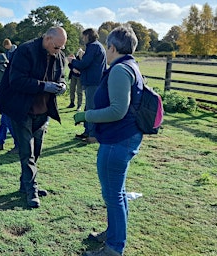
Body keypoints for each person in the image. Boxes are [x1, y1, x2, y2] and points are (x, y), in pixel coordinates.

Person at [74, 26, 144, 256]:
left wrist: (87, 115)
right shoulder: (131, 66)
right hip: (123, 137)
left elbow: (117, 110)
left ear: (112, 47)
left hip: (118, 139)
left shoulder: (119, 70)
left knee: (113, 195)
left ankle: (114, 248)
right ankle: (113, 234)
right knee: (118, 192)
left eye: (107, 47)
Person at [0, 26, 67, 208]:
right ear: (48, 39)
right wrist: (44, 86)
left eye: (61, 48)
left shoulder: (58, 55)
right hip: (22, 110)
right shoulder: (25, 51)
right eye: (57, 47)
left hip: (42, 112)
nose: (59, 51)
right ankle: (31, 190)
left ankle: (25, 184)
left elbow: (61, 76)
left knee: (36, 152)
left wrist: (62, 85)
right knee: (26, 153)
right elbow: (17, 81)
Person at [68, 28, 106, 144]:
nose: (82, 38)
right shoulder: (96, 46)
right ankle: (87, 131)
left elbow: (84, 63)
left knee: (91, 108)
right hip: (93, 81)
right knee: (88, 108)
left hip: (93, 82)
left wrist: (72, 61)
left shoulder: (93, 46)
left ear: (88, 36)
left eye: (84, 36)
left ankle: (93, 135)